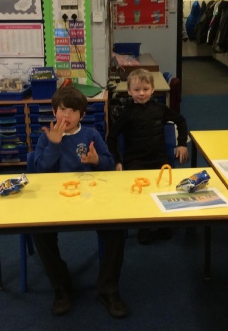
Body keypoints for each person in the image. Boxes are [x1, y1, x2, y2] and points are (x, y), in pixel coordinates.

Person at [32, 86, 128, 318]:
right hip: (56, 199)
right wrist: (54, 145)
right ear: (54, 111)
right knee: (39, 231)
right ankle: (61, 287)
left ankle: (108, 289)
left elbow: (109, 164)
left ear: (82, 115)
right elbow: (40, 171)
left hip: (90, 197)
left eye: (73, 111)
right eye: (62, 109)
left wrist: (96, 161)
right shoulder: (47, 138)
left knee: (117, 228)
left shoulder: (91, 135)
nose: (67, 115)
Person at [107, 69, 189, 244]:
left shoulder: (160, 109)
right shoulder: (127, 113)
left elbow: (181, 120)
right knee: (141, 193)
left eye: (145, 89)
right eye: (137, 90)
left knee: (165, 189)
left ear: (152, 89)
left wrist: (182, 143)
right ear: (129, 91)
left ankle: (163, 223)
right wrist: (117, 161)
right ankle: (144, 227)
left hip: (159, 159)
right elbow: (111, 138)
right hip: (136, 161)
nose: (141, 93)